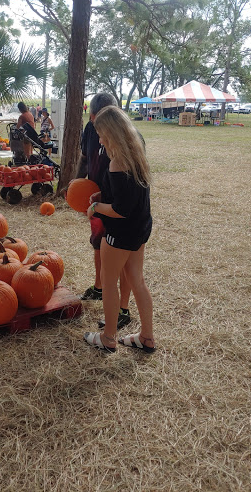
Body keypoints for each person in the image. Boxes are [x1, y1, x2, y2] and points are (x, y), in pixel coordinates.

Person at [83, 105, 155, 353]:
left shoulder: (117, 162)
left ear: (112, 132)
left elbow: (120, 210)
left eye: (102, 133)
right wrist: (102, 194)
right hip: (140, 229)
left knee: (108, 280)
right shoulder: (136, 153)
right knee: (138, 280)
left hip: (121, 233)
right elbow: (128, 196)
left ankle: (108, 338)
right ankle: (147, 337)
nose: (100, 139)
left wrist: (96, 208)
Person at [75, 93, 132, 330]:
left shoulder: (128, 138)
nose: (99, 135)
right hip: (98, 198)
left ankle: (123, 308)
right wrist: (77, 185)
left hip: (116, 208)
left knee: (124, 261)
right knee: (99, 244)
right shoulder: (90, 129)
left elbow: (129, 193)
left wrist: (105, 203)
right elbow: (85, 158)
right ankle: (99, 288)